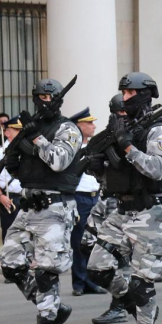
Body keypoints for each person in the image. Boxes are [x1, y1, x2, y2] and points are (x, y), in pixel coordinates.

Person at [85, 72, 162, 324]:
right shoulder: (123, 130)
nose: (124, 99)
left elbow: (155, 169)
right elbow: (118, 175)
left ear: (145, 95)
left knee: (142, 284)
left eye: (129, 94)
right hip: (121, 211)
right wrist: (99, 166)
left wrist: (125, 146)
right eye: (121, 95)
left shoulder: (159, 131)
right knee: (97, 267)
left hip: (151, 214)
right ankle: (136, 306)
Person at [0, 79, 82, 324]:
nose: (44, 101)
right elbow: (16, 167)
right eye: (40, 96)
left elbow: (58, 160)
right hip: (29, 205)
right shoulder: (31, 127)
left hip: (55, 207)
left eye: (49, 96)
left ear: (58, 99)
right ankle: (53, 309)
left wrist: (35, 138)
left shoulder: (68, 128)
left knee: (46, 272)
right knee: (10, 263)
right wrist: (17, 150)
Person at [89, 94, 130, 324]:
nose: (122, 117)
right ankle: (124, 297)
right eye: (118, 113)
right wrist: (96, 167)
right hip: (104, 200)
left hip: (122, 202)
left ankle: (120, 304)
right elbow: (96, 171)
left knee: (119, 254)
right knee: (88, 244)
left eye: (125, 113)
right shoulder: (104, 137)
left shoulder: (133, 136)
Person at [68, 107, 106, 296]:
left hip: (95, 196)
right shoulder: (72, 148)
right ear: (78, 126)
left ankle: (91, 280)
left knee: (95, 241)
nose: (93, 126)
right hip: (80, 198)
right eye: (89, 123)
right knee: (79, 240)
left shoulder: (95, 147)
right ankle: (79, 282)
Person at [0, 115, 23, 242]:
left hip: (25, 198)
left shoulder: (26, 151)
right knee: (10, 238)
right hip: (10, 198)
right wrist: (0, 196)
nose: (20, 133)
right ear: (7, 132)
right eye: (17, 130)